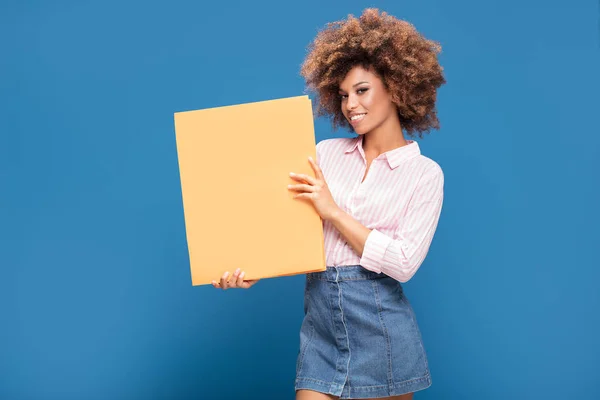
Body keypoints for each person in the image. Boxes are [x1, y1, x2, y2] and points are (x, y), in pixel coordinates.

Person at [212, 8, 446, 400]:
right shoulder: (325, 154)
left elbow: (404, 263)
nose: (350, 104)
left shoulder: (424, 174)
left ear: (397, 87)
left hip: (382, 330)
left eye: (361, 90)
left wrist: (333, 210)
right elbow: (295, 232)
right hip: (322, 326)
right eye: (342, 95)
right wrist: (252, 267)